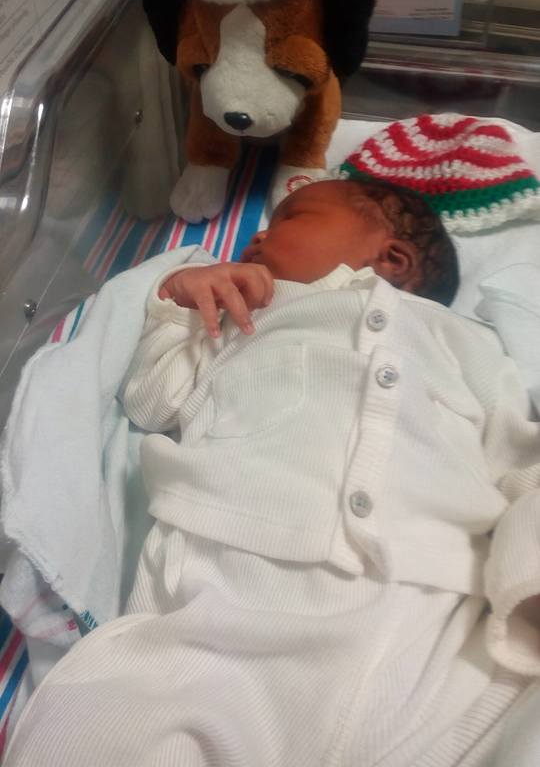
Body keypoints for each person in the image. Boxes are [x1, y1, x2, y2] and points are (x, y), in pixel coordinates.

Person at [5, 179, 540, 767]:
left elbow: (525, 465)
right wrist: (180, 305)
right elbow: (152, 403)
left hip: (429, 622)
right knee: (92, 723)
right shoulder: (241, 317)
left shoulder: (460, 338)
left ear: (392, 257)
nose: (258, 235)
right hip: (222, 599)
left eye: (292, 217)